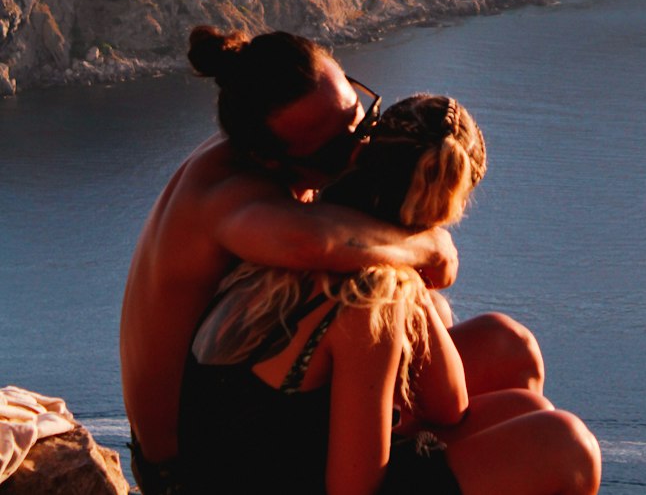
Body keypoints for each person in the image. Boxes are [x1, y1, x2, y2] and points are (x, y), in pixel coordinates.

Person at [121, 27, 542, 495]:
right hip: (199, 467)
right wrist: (430, 248)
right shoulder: (227, 196)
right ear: (269, 159)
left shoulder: (278, 156)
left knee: (509, 351)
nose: (361, 148)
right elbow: (312, 242)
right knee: (550, 447)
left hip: (269, 409)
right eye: (338, 150)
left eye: (362, 119)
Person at [179, 93, 601, 495]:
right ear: (440, 212)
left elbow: (448, 404)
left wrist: (410, 282)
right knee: (568, 448)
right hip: (270, 477)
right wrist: (409, 273)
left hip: (248, 459)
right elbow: (356, 487)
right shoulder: (366, 299)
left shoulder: (305, 222)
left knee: (525, 405)